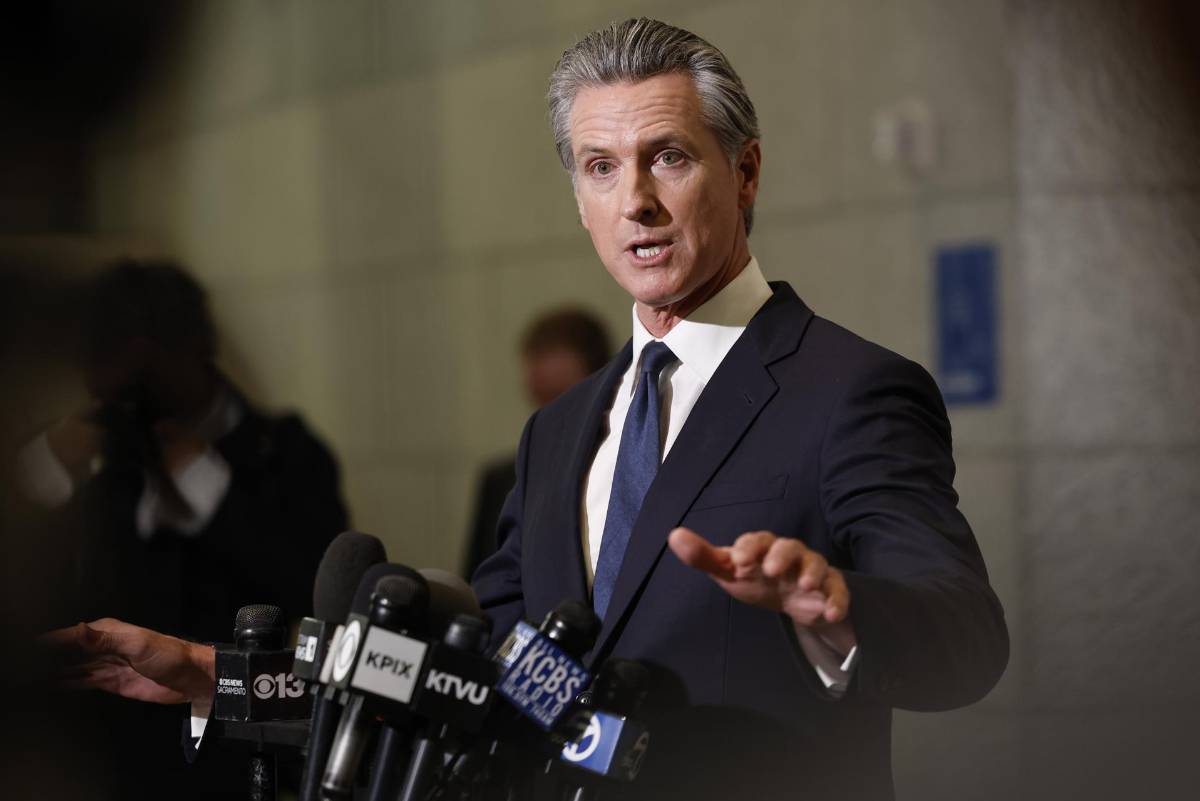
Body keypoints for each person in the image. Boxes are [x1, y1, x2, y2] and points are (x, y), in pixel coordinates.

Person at [44, 19, 1007, 801]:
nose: (636, 201)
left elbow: (966, 640)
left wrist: (835, 608)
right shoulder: (560, 430)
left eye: (669, 157)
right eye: (600, 167)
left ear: (745, 171)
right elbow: (471, 682)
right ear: (578, 199)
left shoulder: (848, 389)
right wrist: (218, 675)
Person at [23, 260, 348, 799]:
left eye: (149, 366)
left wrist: (207, 484)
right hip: (95, 752)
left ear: (195, 348)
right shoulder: (87, 451)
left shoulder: (285, 453)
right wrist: (48, 462)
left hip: (231, 746)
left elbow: (314, 590)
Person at [463, 307, 611, 577]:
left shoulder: (624, 471)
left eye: (563, 397)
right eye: (543, 399)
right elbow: (480, 582)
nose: (552, 416)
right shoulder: (501, 481)